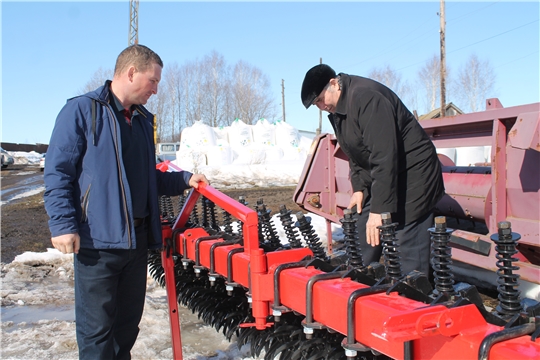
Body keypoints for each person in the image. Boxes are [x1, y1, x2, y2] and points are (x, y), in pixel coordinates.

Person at [44, 44, 209, 359]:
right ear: (131, 72)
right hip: (97, 244)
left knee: (126, 330)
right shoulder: (83, 111)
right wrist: (63, 224)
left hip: (135, 244)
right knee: (96, 335)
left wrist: (184, 179)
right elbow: (58, 173)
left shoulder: (143, 120)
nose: (156, 90)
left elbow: (149, 177)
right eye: (153, 81)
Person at [301, 64, 445, 276]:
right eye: (316, 104)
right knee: (362, 232)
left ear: (333, 83)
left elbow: (384, 156)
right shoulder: (338, 110)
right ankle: (357, 283)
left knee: (406, 241)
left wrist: (379, 210)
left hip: (414, 175)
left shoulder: (366, 98)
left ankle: (414, 295)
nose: (321, 106)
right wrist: (359, 188)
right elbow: (354, 152)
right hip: (387, 174)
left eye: (320, 99)